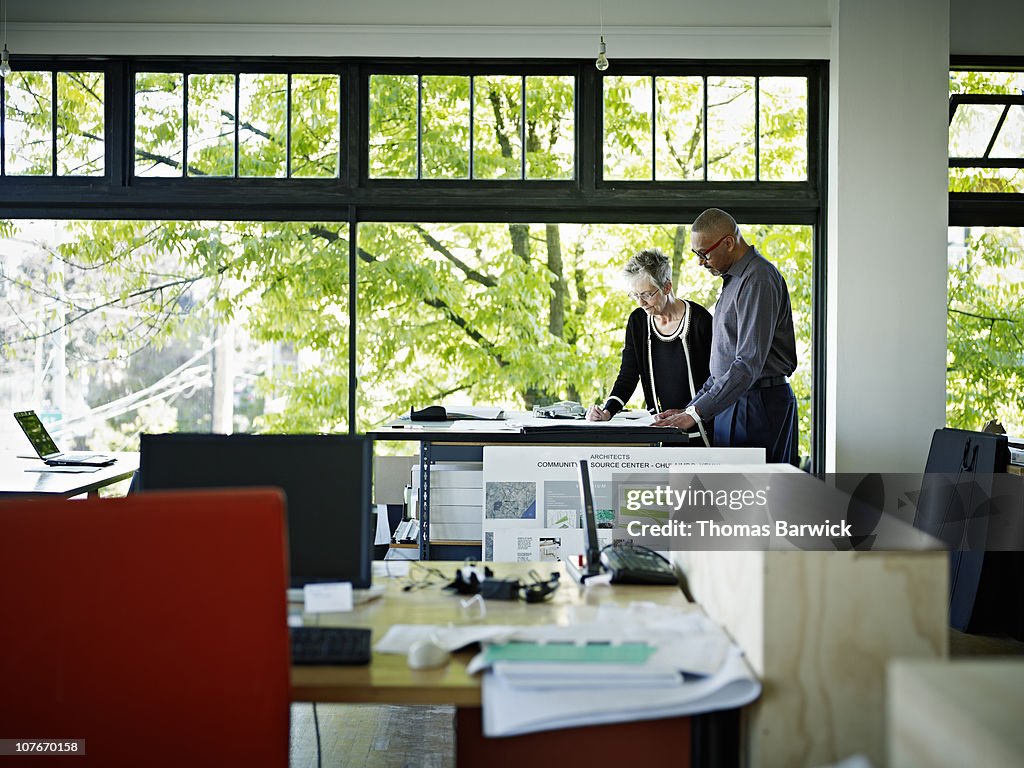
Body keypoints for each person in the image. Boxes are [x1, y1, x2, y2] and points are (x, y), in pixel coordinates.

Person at [653, 208, 799, 464]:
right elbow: (722, 366)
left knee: (756, 497)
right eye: (695, 254)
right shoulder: (733, 281)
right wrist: (691, 408)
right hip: (733, 403)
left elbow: (746, 364)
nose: (700, 261)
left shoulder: (758, 280)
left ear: (729, 242)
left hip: (758, 406)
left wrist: (696, 413)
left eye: (703, 253)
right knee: (729, 496)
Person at [586, 248, 712, 436]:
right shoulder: (638, 322)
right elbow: (628, 375)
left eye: (646, 294)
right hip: (660, 429)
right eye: (635, 295)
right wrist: (607, 411)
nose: (640, 302)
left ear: (667, 287)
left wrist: (692, 413)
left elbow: (717, 379)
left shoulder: (700, 321)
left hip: (702, 428)